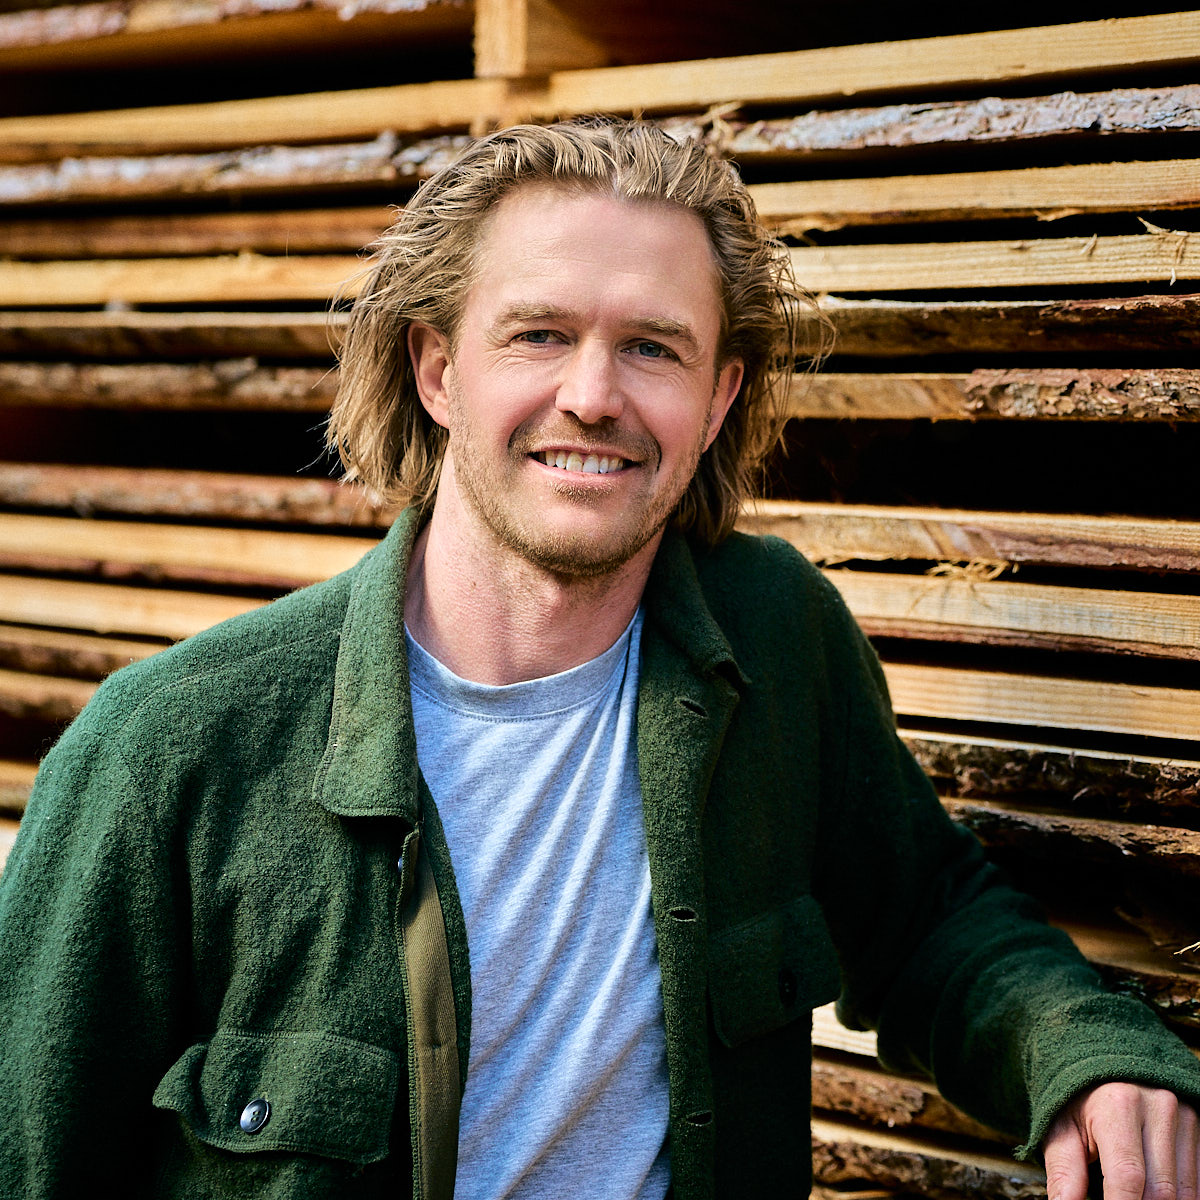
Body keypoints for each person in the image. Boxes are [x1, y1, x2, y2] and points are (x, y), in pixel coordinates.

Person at [1, 117, 1198, 1200]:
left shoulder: (774, 643)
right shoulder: (173, 750)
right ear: (436, 372)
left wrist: (1088, 1059)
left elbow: (930, 921)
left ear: (721, 395)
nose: (593, 395)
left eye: (654, 350)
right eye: (539, 333)